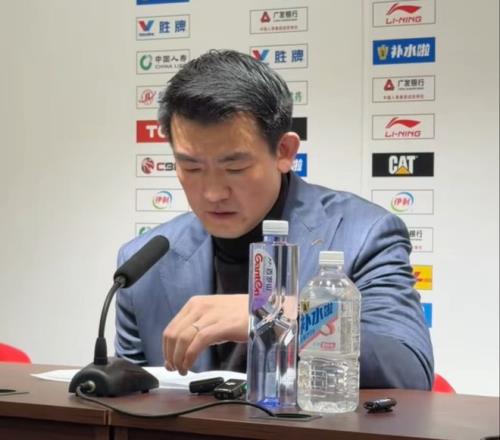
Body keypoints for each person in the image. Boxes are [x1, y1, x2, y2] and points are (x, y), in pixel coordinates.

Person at [115, 49, 434, 389]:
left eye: (235, 168)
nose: (212, 193)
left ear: (284, 152)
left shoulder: (363, 235)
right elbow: (127, 398)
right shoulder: (143, 264)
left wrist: (272, 317)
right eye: (191, 168)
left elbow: (407, 370)